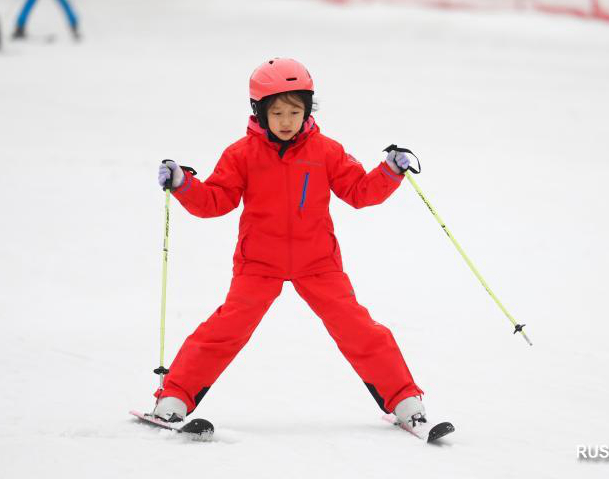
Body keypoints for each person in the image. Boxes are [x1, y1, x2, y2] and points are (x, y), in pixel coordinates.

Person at [152, 58, 429, 431]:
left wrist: (389, 171)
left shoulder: (327, 151)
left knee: (359, 329)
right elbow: (215, 201)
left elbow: (359, 192)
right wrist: (184, 184)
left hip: (318, 261)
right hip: (259, 264)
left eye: (295, 111)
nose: (286, 121)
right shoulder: (241, 155)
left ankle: (406, 401)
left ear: (307, 111)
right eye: (277, 112)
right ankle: (174, 399)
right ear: (259, 112)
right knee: (224, 331)